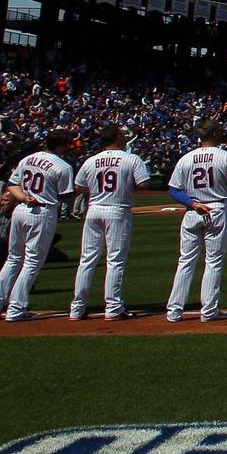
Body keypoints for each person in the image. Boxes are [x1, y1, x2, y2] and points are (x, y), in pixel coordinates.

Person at [0, 132, 74, 322]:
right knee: (32, 261)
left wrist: (24, 197)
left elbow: (12, 185)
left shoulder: (28, 159)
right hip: (42, 211)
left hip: (21, 209)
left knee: (13, 258)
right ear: (62, 145)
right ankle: (16, 308)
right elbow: (65, 196)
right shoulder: (63, 166)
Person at [165, 121, 227, 322]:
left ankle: (174, 312)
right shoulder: (226, 156)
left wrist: (192, 204)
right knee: (213, 261)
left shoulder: (186, 158)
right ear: (216, 133)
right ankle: (209, 311)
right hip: (217, 208)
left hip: (193, 211)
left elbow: (174, 190)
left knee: (185, 261)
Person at [69, 124, 149, 321]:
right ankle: (113, 307)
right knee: (115, 260)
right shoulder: (131, 158)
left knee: (87, 259)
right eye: (122, 135)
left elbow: (79, 187)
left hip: (94, 209)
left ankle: (77, 307)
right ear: (117, 138)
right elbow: (144, 184)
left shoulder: (91, 161)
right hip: (117, 209)